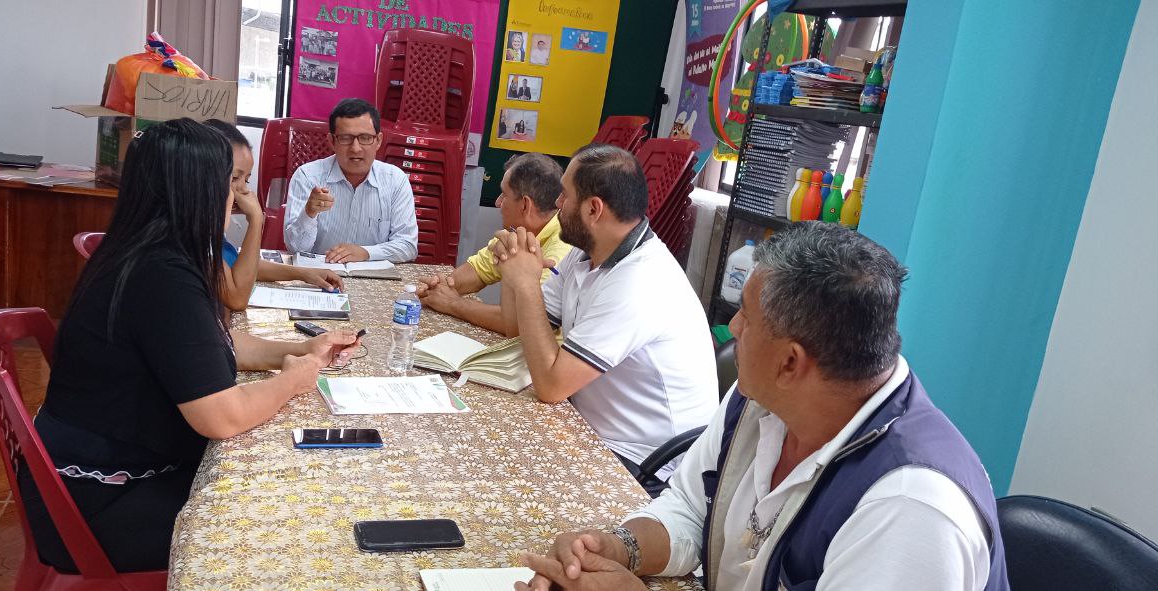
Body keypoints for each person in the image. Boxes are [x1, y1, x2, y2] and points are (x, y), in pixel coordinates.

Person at [516, 222, 1010, 591]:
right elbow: (692, 507)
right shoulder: (763, 399)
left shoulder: (910, 509)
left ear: (790, 362)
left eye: (746, 317)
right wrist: (617, 548)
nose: (732, 328)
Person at [18, 118, 361, 573]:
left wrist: (298, 352)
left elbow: (209, 344)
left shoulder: (146, 249)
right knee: (291, 518)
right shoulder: (162, 275)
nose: (233, 200)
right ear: (196, 192)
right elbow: (223, 416)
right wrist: (293, 381)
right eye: (227, 186)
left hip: (88, 480)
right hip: (94, 506)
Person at [489, 144, 717, 493]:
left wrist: (525, 283)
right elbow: (521, 326)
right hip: (588, 425)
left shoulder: (640, 282)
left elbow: (551, 387)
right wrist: (515, 265)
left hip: (645, 464)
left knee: (504, 476)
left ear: (593, 209)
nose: (557, 204)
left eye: (565, 196)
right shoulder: (585, 254)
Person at [417, 153, 571, 335]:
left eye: (504, 195)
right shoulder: (517, 231)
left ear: (525, 205)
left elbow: (523, 322)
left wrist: (453, 303)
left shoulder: (563, 248)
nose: (498, 203)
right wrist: (441, 286)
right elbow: (479, 269)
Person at [202, 120, 343, 311]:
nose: (244, 189)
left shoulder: (213, 229)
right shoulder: (198, 235)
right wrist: (256, 220)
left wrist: (304, 274)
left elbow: (242, 266)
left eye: (247, 180)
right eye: (234, 178)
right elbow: (237, 299)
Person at [283, 98, 418, 263]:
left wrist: (366, 253)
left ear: (378, 141)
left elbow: (408, 246)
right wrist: (309, 214)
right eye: (346, 138)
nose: (355, 148)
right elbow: (295, 249)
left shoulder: (395, 181)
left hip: (373, 276)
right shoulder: (307, 176)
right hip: (319, 273)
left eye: (365, 138)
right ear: (332, 141)